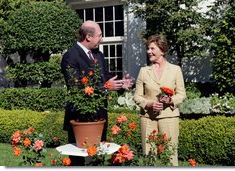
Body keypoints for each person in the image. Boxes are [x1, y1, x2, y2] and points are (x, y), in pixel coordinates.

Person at [61, 20, 133, 166]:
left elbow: (105, 78)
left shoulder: (98, 55)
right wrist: (106, 87)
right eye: (99, 35)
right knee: (78, 162)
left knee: (98, 158)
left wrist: (120, 85)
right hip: (80, 118)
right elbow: (76, 87)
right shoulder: (70, 56)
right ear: (88, 36)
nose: (101, 38)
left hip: (100, 115)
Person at [133, 34, 186, 166]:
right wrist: (149, 104)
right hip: (147, 118)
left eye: (152, 48)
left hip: (169, 118)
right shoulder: (144, 71)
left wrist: (171, 100)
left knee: (170, 155)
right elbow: (137, 96)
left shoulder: (175, 70)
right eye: (148, 48)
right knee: (149, 156)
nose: (148, 52)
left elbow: (182, 94)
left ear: (162, 50)